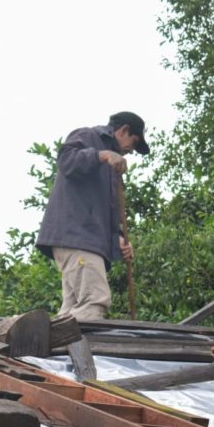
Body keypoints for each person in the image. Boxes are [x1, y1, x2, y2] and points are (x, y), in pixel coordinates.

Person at [36, 112, 150, 321]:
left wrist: (118, 239)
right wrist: (103, 155)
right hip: (77, 236)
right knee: (95, 301)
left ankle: (58, 351)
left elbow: (102, 210)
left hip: (82, 239)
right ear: (124, 130)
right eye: (133, 143)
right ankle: (82, 354)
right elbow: (66, 161)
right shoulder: (88, 137)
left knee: (71, 311)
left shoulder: (112, 168)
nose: (131, 151)